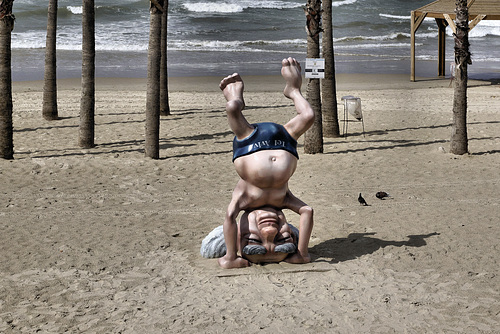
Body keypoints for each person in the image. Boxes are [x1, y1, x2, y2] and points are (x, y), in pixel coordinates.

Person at [217, 57, 315, 269]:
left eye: (254, 241)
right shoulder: (283, 199)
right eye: (281, 242)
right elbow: (307, 211)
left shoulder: (246, 199)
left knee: (233, 109)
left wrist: (231, 256)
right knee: (308, 115)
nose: (270, 233)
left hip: (249, 142)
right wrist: (301, 253)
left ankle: (236, 97)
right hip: (284, 141)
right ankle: (293, 90)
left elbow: (230, 216)